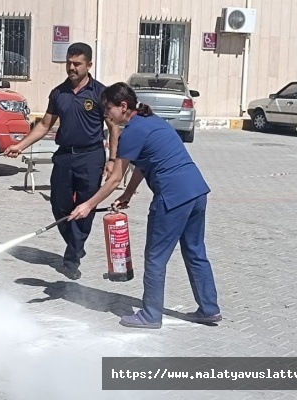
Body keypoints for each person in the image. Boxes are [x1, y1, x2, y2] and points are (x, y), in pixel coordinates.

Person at [68, 82, 221, 329]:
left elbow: (115, 176)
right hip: (196, 191)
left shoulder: (131, 132)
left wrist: (88, 205)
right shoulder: (152, 122)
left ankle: (151, 315)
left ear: (123, 106)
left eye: (108, 108)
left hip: (172, 197)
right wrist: (128, 194)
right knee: (195, 251)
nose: (106, 114)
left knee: (155, 258)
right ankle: (209, 309)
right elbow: (141, 163)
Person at [3, 42, 120, 280]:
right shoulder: (58, 93)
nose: (71, 68)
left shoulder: (100, 93)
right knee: (59, 206)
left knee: (87, 207)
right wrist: (20, 146)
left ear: (89, 64)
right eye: (68, 63)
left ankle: (72, 257)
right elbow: (45, 125)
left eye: (77, 64)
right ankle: (77, 244)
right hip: (65, 156)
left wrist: (113, 159)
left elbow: (113, 126)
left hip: (91, 156)